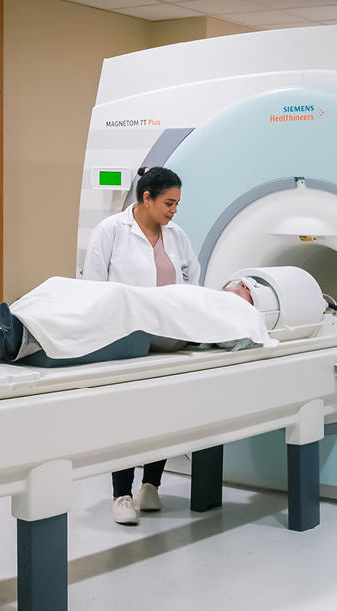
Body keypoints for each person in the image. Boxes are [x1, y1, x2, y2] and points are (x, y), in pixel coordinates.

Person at [84, 166, 199, 525]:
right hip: (126, 340)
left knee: (163, 413)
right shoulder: (111, 231)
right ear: (146, 198)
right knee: (126, 417)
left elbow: (192, 281)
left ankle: (151, 485)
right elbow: (93, 286)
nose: (174, 211)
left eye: (178, 203)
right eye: (168, 202)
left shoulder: (177, 236)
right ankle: (121, 494)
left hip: (168, 339)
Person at [0, 278, 263, 366]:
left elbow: (240, 340)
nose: (238, 286)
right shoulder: (206, 292)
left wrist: (238, 312)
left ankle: (16, 334)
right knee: (63, 286)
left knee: (116, 298)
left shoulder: (240, 311)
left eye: (245, 288)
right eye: (237, 283)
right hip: (156, 304)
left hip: (162, 326)